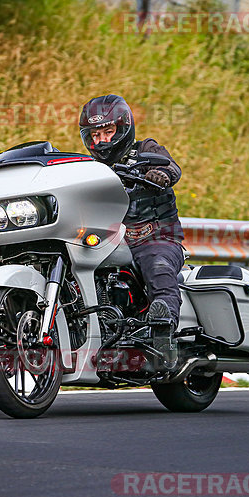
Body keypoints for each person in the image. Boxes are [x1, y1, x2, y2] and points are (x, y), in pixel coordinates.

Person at [79, 94, 185, 365]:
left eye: (108, 131)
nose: (101, 140)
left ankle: (164, 331)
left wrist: (160, 174)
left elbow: (171, 167)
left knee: (158, 268)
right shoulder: (90, 168)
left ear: (123, 128)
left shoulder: (146, 150)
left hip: (156, 236)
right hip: (111, 241)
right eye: (95, 134)